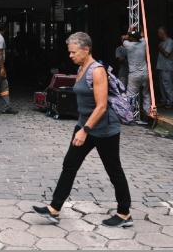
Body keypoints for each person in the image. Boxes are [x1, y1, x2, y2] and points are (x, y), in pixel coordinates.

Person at [32, 32, 133, 228]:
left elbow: (102, 106)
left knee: (114, 171)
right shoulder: (81, 68)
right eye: (69, 52)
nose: (70, 55)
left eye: (73, 52)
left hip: (104, 128)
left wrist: (84, 130)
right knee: (69, 165)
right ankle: (54, 208)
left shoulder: (97, 71)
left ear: (86, 50)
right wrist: (83, 127)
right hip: (85, 124)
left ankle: (124, 213)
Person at [123, 25, 150, 123]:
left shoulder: (128, 45)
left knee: (131, 96)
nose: (129, 37)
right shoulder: (143, 43)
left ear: (133, 38)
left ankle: (129, 116)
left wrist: (130, 29)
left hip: (134, 75)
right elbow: (142, 36)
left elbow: (125, 38)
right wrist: (141, 29)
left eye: (131, 36)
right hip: (144, 73)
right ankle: (148, 113)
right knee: (146, 94)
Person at [156, 27, 173, 110]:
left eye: (158, 33)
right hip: (162, 67)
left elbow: (167, 54)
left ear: (162, 33)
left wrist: (159, 47)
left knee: (167, 85)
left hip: (167, 67)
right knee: (162, 85)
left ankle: (170, 102)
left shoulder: (170, 42)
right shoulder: (163, 42)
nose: (158, 35)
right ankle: (164, 100)